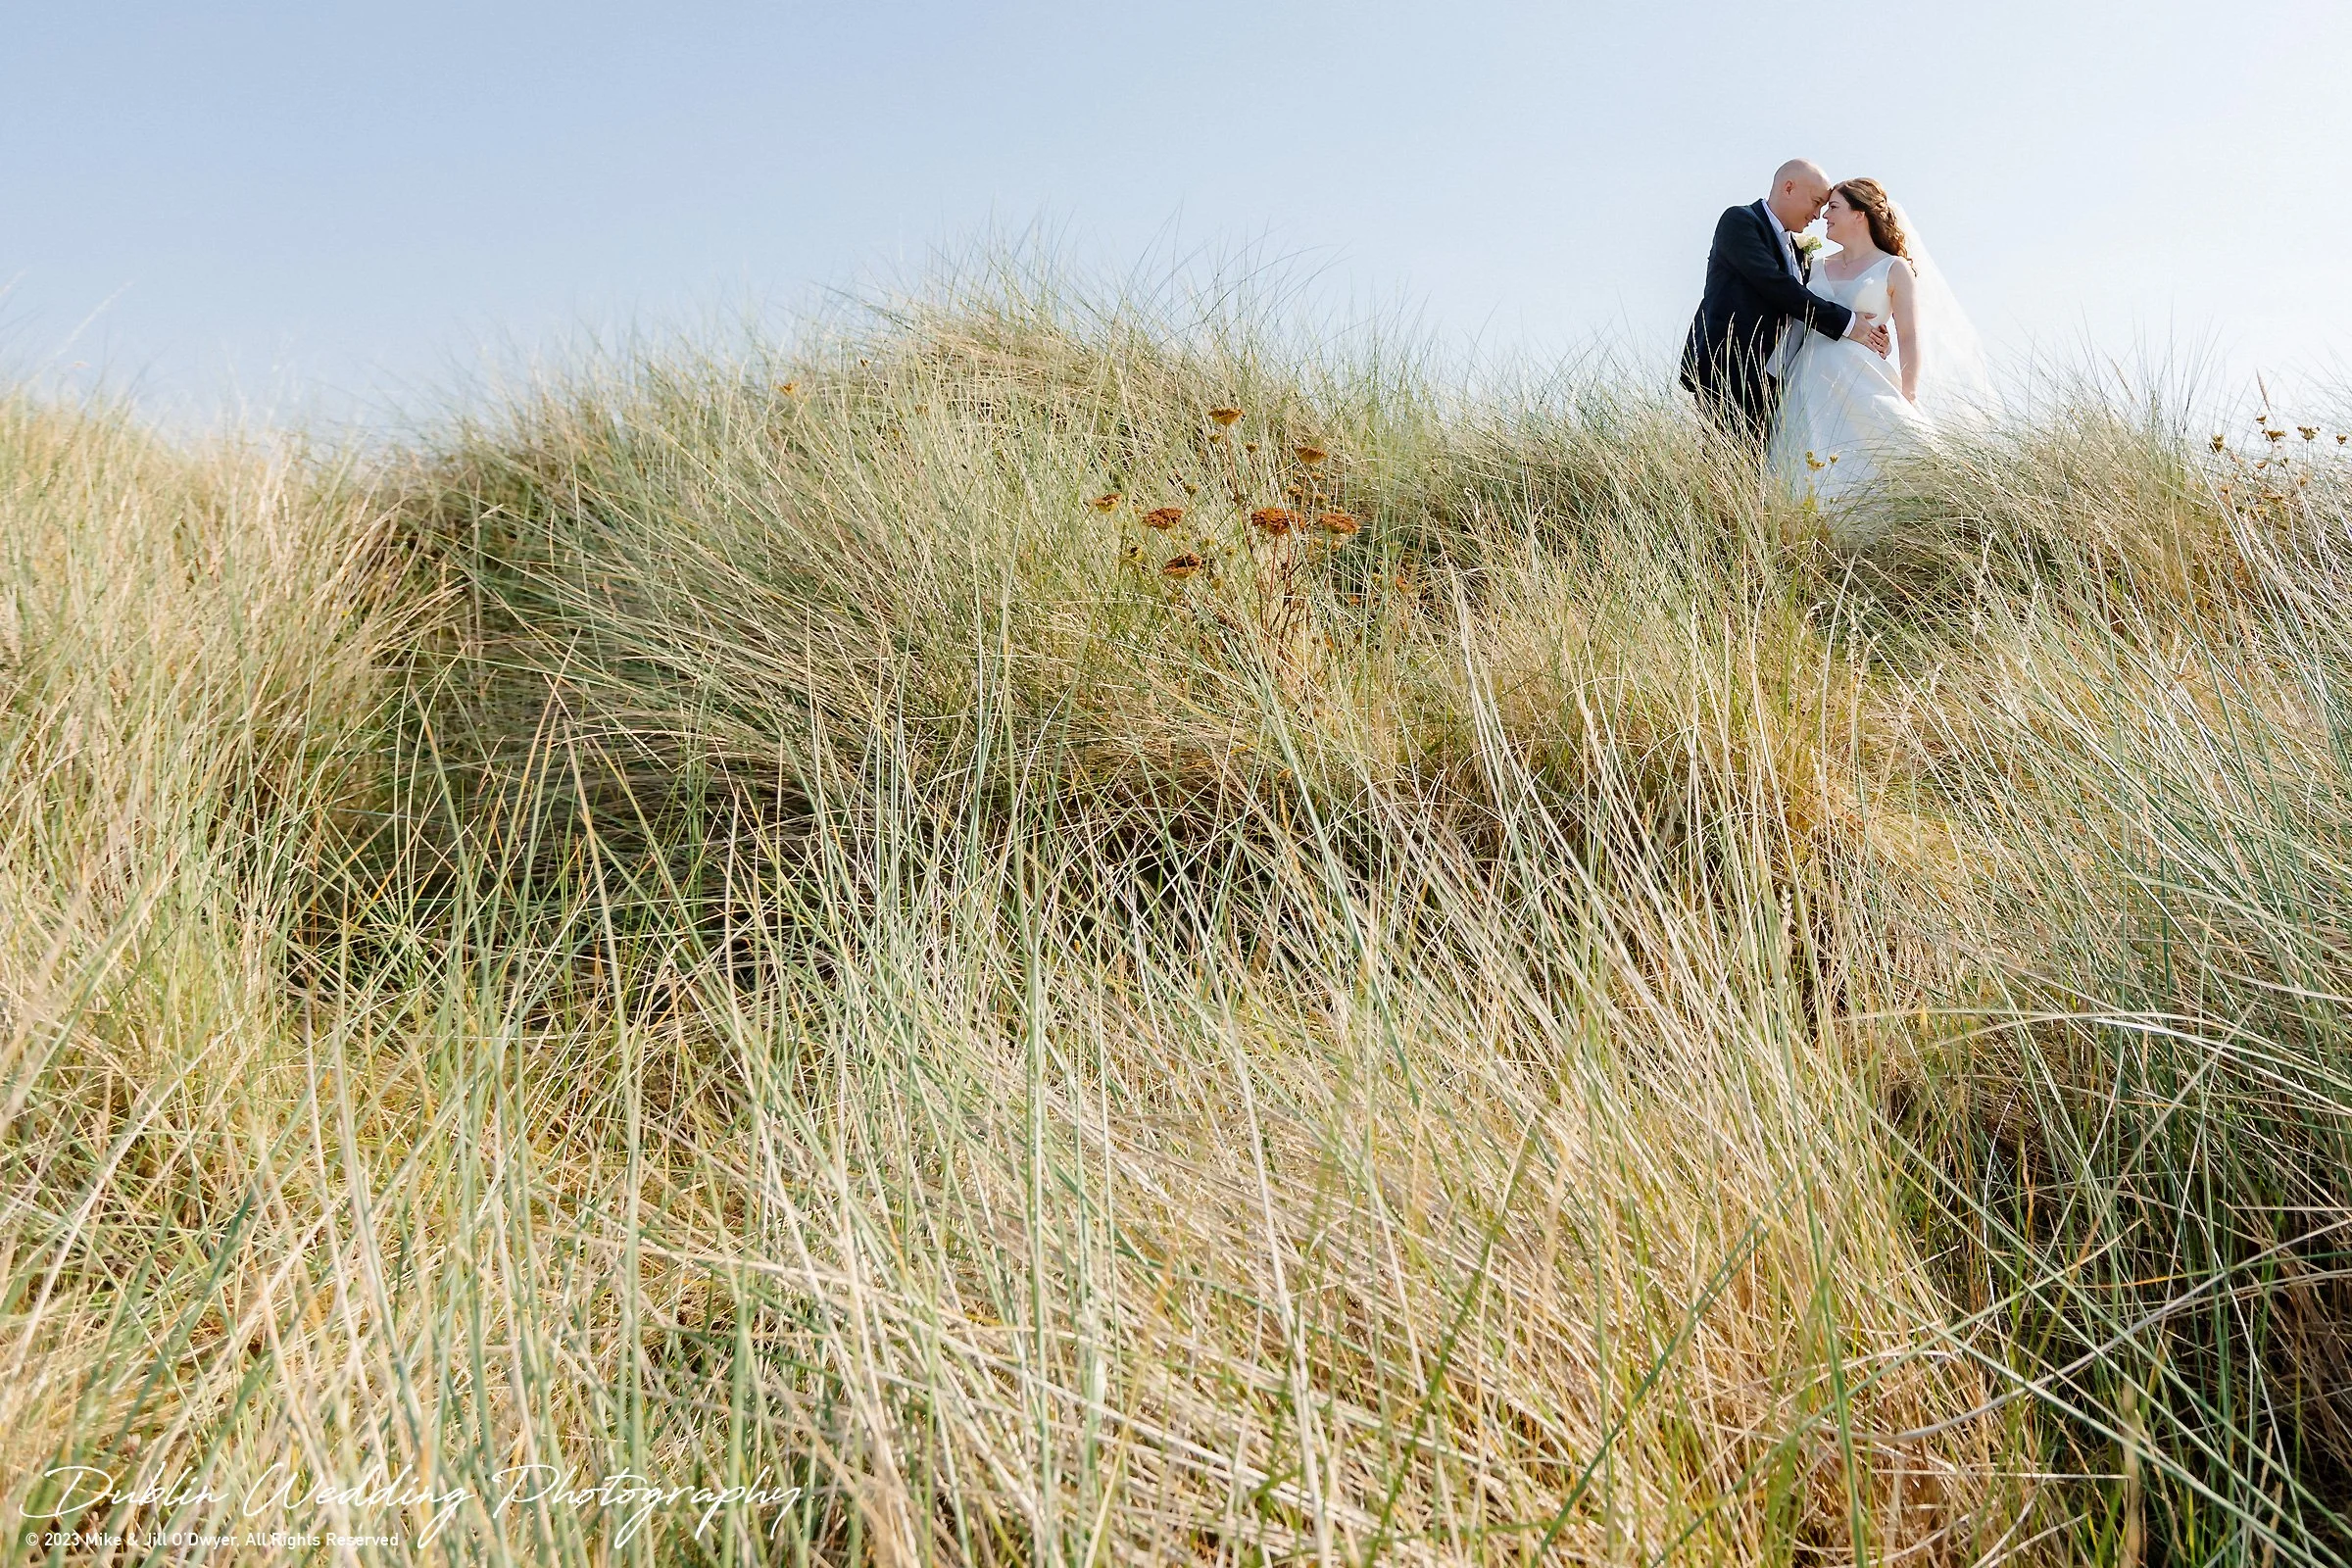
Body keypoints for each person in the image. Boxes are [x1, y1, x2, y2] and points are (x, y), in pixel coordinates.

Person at [1764, 177, 1997, 512]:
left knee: (1896, 458)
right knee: (1808, 471)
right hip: (1809, 382)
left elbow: (1908, 336)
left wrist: (1909, 392)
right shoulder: (1814, 267)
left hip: (1862, 380)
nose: (1824, 215)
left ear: (1859, 214)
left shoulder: (1894, 268)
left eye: (1834, 207)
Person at [1680, 160, 1892, 447]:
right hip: (1732, 371)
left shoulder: (1798, 249)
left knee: (1762, 465)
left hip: (1781, 382)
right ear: (1789, 188)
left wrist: (1873, 332)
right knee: (1724, 460)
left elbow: (1810, 302)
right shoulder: (1740, 221)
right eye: (1816, 202)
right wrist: (1848, 323)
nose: (1818, 215)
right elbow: (1776, 286)